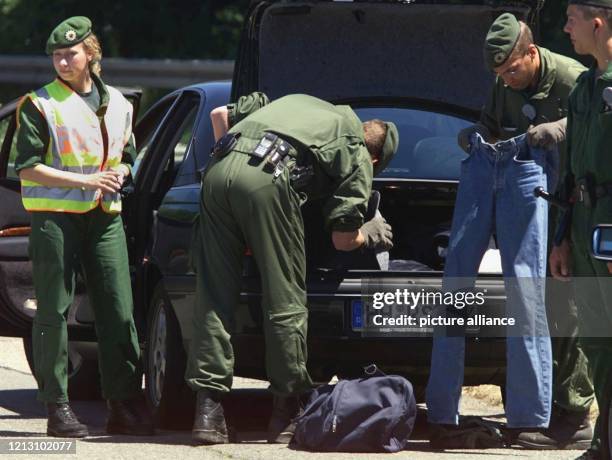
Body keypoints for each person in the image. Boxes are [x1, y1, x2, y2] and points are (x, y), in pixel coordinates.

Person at [185, 91, 398, 445]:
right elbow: (342, 240)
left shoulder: (303, 102)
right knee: (284, 299)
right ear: (375, 158)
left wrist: (242, 209)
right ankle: (287, 411)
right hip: (268, 181)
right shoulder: (357, 151)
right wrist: (369, 233)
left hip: (218, 173)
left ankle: (207, 414)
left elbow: (220, 114)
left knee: (213, 295)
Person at [426, 13, 593, 449]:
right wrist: (478, 136)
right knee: (467, 287)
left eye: (512, 69)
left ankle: (566, 414)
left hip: (576, 202)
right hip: (526, 187)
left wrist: (561, 129)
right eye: (499, 73)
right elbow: (492, 124)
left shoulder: (574, 79)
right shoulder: (504, 83)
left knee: (560, 303)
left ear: (532, 53)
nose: (506, 79)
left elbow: (598, 128)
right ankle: (457, 413)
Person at [14, 16, 153, 438]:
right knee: (53, 312)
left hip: (104, 216)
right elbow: (29, 169)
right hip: (54, 219)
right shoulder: (40, 105)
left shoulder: (122, 104)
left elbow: (127, 156)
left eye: (69, 53)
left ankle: (123, 402)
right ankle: (57, 407)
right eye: (56, 55)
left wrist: (123, 174)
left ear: (90, 54)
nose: (61, 61)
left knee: (118, 309)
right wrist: (87, 180)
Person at [551, 2, 612, 458]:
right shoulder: (584, 89)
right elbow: (569, 173)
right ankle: (602, 441)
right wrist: (561, 239)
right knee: (595, 337)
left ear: (599, 22)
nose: (565, 27)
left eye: (572, 18)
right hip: (586, 226)